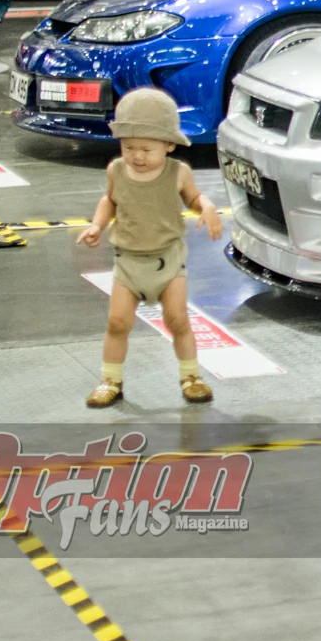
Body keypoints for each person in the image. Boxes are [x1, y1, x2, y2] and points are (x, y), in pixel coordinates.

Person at [76, 89, 224, 408]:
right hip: (128, 262)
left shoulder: (178, 172)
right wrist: (97, 225)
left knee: (178, 319)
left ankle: (191, 376)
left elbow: (194, 199)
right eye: (129, 147)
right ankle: (110, 380)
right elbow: (110, 200)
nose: (137, 156)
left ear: (169, 145)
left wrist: (208, 207)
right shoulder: (117, 170)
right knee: (117, 322)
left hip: (168, 260)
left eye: (146, 149)